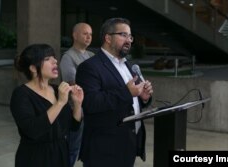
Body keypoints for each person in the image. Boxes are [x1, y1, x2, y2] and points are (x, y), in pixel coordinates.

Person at [76, 18, 153, 167]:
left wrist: (143, 98)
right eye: (123, 35)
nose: (128, 40)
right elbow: (90, 103)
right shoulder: (90, 67)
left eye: (130, 36)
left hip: (128, 144)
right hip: (104, 149)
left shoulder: (127, 65)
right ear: (108, 38)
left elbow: (131, 101)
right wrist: (127, 92)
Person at [10, 44, 84, 167]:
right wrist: (60, 103)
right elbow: (33, 130)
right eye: (47, 59)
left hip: (61, 154)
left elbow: (73, 126)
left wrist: (77, 103)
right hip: (35, 157)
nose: (55, 61)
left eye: (54, 57)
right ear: (33, 68)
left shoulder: (56, 90)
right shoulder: (21, 94)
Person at [60, 22, 94, 167]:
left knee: (91, 149)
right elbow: (73, 84)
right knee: (73, 148)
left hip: (93, 109)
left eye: (90, 34)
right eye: (85, 33)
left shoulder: (92, 55)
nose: (88, 37)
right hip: (76, 111)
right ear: (75, 35)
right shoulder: (68, 57)